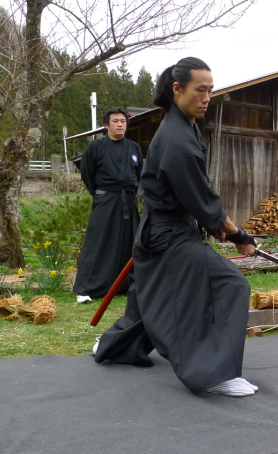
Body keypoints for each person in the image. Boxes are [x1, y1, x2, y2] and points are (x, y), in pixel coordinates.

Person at [96, 56, 259, 398]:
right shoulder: (176, 139)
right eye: (200, 90)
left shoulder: (185, 127)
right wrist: (238, 235)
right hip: (168, 236)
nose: (206, 98)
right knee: (229, 285)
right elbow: (203, 198)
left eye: (210, 90)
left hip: (161, 231)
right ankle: (212, 372)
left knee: (150, 300)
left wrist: (215, 224)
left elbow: (193, 196)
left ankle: (116, 346)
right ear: (177, 89)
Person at [73, 108, 143, 303]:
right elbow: (87, 172)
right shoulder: (96, 146)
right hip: (105, 198)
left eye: (123, 121)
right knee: (97, 242)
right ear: (106, 125)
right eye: (115, 121)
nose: (120, 124)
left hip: (128, 199)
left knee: (129, 242)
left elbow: (139, 174)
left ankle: (124, 285)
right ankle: (86, 289)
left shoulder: (134, 148)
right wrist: (99, 194)